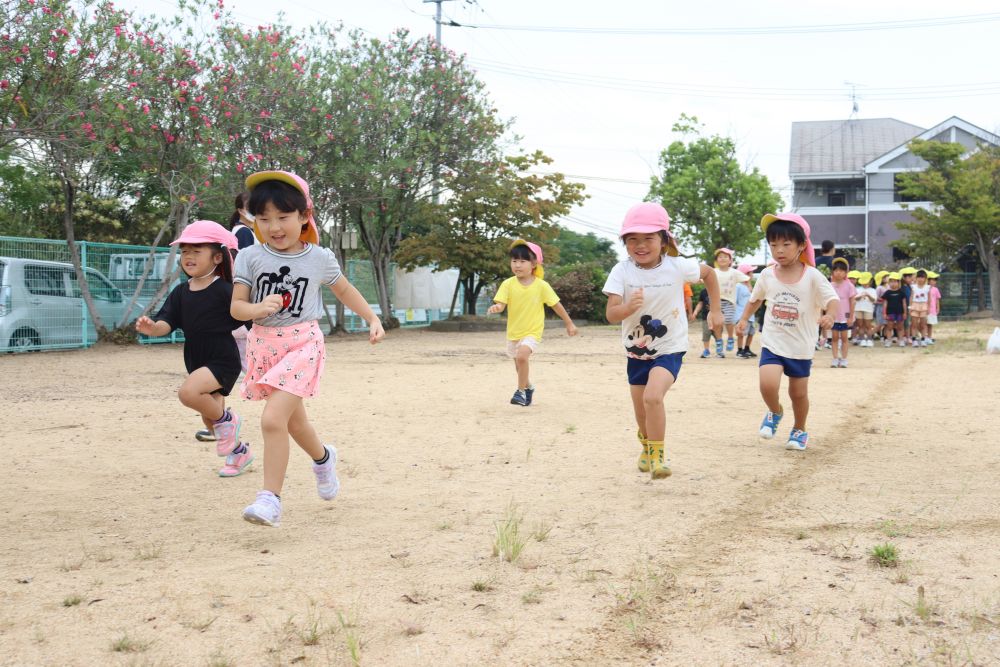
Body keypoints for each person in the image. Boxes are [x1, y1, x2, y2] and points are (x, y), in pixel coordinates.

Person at [231, 170, 385, 527]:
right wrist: (257, 309)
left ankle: (270, 499)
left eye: (283, 217)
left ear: (303, 216)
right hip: (264, 346)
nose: (274, 226)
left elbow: (344, 290)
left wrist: (372, 319)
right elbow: (237, 308)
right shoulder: (250, 257)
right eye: (264, 218)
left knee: (272, 420)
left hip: (303, 345)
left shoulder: (319, 257)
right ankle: (323, 458)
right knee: (295, 424)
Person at [604, 202, 722, 478]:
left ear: (663, 239)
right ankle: (646, 443)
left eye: (648, 238)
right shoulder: (621, 271)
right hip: (636, 353)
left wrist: (715, 310)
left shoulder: (678, 266)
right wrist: (628, 309)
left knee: (653, 397)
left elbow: (709, 274)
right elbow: (611, 314)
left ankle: (658, 457)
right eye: (632, 239)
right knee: (641, 410)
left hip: (669, 349)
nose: (640, 245)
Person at [135, 220, 253, 477]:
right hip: (196, 359)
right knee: (208, 419)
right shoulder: (180, 292)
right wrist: (153, 328)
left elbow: (248, 318)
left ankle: (227, 421)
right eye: (185, 251)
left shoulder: (226, 290)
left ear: (217, 257)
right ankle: (239, 452)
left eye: (197, 250)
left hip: (222, 358)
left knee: (189, 394)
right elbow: (166, 322)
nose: (188, 256)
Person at [736, 212, 838, 451]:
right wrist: (743, 319)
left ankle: (799, 429)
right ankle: (775, 411)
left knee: (798, 393)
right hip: (774, 341)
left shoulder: (812, 275)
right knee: (767, 384)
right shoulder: (767, 274)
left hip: (801, 345)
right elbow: (755, 299)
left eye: (785, 244)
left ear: (801, 245)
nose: (778, 250)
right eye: (773, 244)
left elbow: (831, 299)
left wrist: (830, 315)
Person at [488, 240, 578, 406]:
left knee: (522, 356)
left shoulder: (542, 286)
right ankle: (528, 387)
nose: (517, 265)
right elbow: (501, 304)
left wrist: (569, 323)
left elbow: (556, 305)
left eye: (522, 261)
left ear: (534, 263)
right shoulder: (507, 284)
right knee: (519, 365)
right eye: (514, 261)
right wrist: (497, 307)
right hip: (514, 332)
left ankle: (520, 392)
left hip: (532, 331)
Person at [713, 247, 749, 357]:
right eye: (720, 257)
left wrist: (750, 288)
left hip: (728, 301)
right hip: (715, 301)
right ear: (716, 260)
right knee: (717, 322)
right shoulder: (714, 271)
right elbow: (704, 278)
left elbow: (746, 279)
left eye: (725, 257)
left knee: (728, 320)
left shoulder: (734, 272)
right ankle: (719, 341)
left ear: (730, 260)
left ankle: (730, 337)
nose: (722, 259)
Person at [829, 258, 856, 367]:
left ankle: (844, 359)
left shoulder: (849, 285)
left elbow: (852, 302)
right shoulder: (830, 285)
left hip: (845, 316)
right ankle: (835, 359)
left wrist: (850, 317)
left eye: (841, 270)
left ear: (846, 272)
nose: (838, 272)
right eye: (836, 270)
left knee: (845, 338)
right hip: (834, 316)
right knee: (834, 338)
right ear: (832, 272)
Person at [734, 263, 757, 358]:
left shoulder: (749, 286)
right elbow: (735, 300)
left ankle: (747, 349)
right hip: (741, 314)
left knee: (751, 332)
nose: (752, 275)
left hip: (751, 314)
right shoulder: (738, 286)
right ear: (745, 274)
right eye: (751, 273)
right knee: (741, 333)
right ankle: (739, 350)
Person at [692, 285, 720, 359]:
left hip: (716, 317)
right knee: (706, 334)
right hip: (705, 317)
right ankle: (706, 350)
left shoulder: (718, 290)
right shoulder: (703, 292)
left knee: (718, 334)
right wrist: (695, 311)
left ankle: (719, 351)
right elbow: (700, 303)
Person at [881, 273, 908, 347]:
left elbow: (904, 303)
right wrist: (884, 313)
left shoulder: (901, 293)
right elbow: (885, 304)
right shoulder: (887, 293)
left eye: (895, 281)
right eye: (891, 281)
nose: (893, 283)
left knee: (900, 327)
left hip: (900, 312)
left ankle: (901, 340)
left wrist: (905, 313)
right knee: (889, 327)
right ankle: (888, 340)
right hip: (890, 312)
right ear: (889, 283)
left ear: (899, 283)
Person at [853, 272, 877, 347]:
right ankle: (862, 339)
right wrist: (860, 296)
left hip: (868, 309)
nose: (865, 284)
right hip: (858, 309)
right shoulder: (858, 289)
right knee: (860, 325)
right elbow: (855, 298)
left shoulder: (873, 290)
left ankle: (869, 339)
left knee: (868, 325)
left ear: (870, 281)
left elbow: (874, 300)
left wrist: (868, 295)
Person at [909, 269, 932, 347]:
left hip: (924, 306)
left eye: (922, 277)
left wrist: (929, 308)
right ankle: (914, 340)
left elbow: (929, 298)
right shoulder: (913, 287)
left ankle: (923, 339)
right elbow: (911, 297)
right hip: (915, 305)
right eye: (919, 277)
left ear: (925, 279)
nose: (920, 279)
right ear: (916, 278)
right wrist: (910, 307)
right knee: (914, 324)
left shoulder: (927, 287)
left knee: (923, 324)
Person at [926, 270, 942, 343]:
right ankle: (924, 337)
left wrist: (938, 308)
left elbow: (937, 299)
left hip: (932, 310)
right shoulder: (925, 288)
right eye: (933, 280)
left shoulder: (936, 289)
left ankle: (929, 337)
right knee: (924, 324)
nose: (934, 282)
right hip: (925, 310)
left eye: (935, 280)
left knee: (930, 324)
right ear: (928, 280)